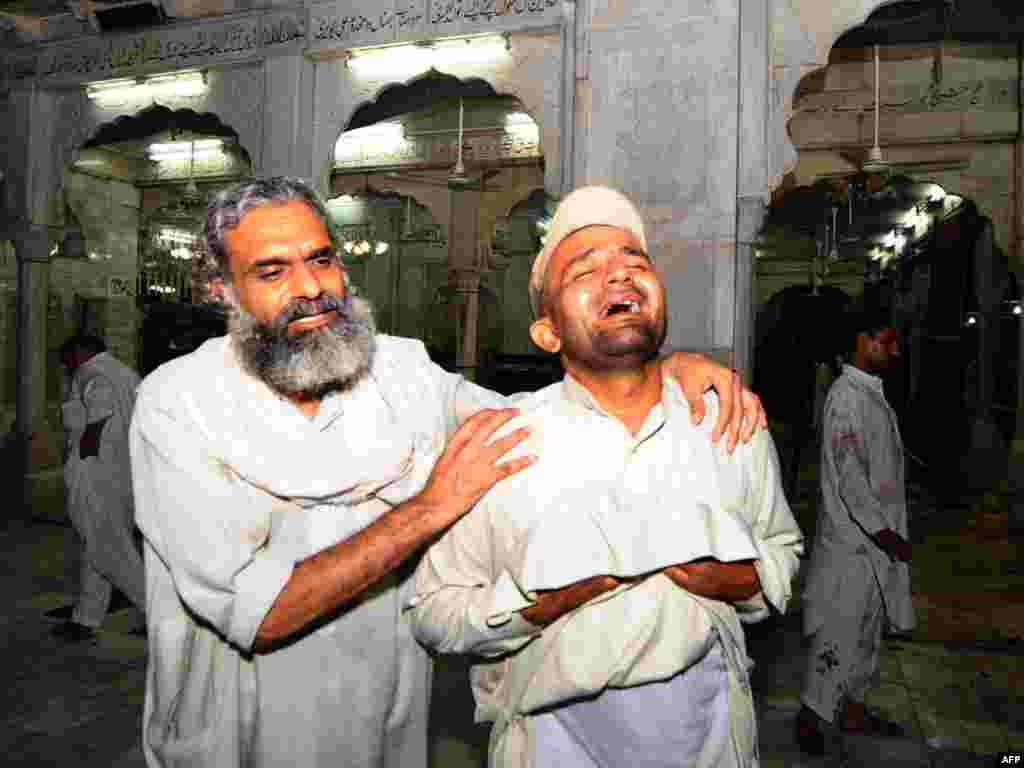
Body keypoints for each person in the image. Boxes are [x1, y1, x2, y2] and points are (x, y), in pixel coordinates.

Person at [129, 176, 766, 768]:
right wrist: (433, 505)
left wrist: (651, 364)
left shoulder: (399, 373)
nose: (310, 287)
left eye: (320, 260)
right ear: (221, 289)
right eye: (272, 271)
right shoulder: (179, 405)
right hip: (237, 738)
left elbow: (545, 420)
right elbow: (262, 613)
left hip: (383, 725)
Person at [408, 186, 804, 767]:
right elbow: (434, 612)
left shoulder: (727, 420)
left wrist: (743, 584)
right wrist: (535, 607)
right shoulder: (501, 443)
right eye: (585, 272)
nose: (618, 276)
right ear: (547, 332)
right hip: (554, 742)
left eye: (634, 262)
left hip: (713, 735)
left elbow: (783, 550)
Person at [796, 310, 914, 754]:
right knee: (838, 636)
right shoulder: (847, 397)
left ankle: (853, 709)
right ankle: (811, 721)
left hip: (873, 547)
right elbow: (849, 475)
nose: (894, 350)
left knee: (866, 634)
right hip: (853, 545)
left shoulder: (870, 395)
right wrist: (883, 531)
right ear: (863, 342)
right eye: (886, 341)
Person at [56, 334, 144, 643]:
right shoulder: (126, 373)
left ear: (81, 352)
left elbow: (97, 420)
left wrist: (84, 462)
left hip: (98, 476)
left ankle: (158, 612)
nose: (64, 366)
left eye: (66, 358)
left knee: (109, 551)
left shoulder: (94, 375)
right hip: (124, 472)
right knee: (96, 545)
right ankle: (86, 617)